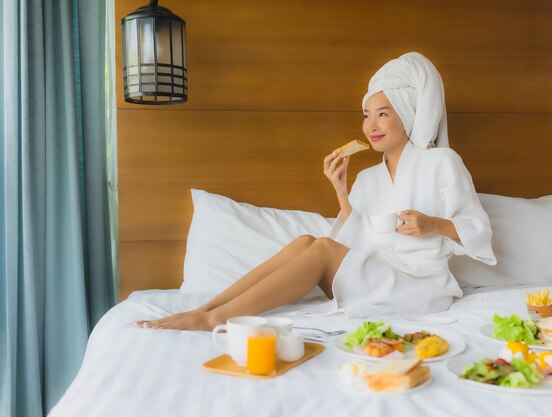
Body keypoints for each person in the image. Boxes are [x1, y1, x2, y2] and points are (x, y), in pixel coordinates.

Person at [135, 52, 496, 331]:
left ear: (407, 112)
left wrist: (433, 224)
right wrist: (340, 189)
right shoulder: (369, 177)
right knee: (306, 242)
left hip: (419, 286)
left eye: (383, 114)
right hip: (379, 273)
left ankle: (214, 321)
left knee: (321, 248)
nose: (370, 125)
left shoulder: (442, 161)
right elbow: (358, 237)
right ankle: (205, 308)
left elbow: (479, 229)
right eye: (366, 114)